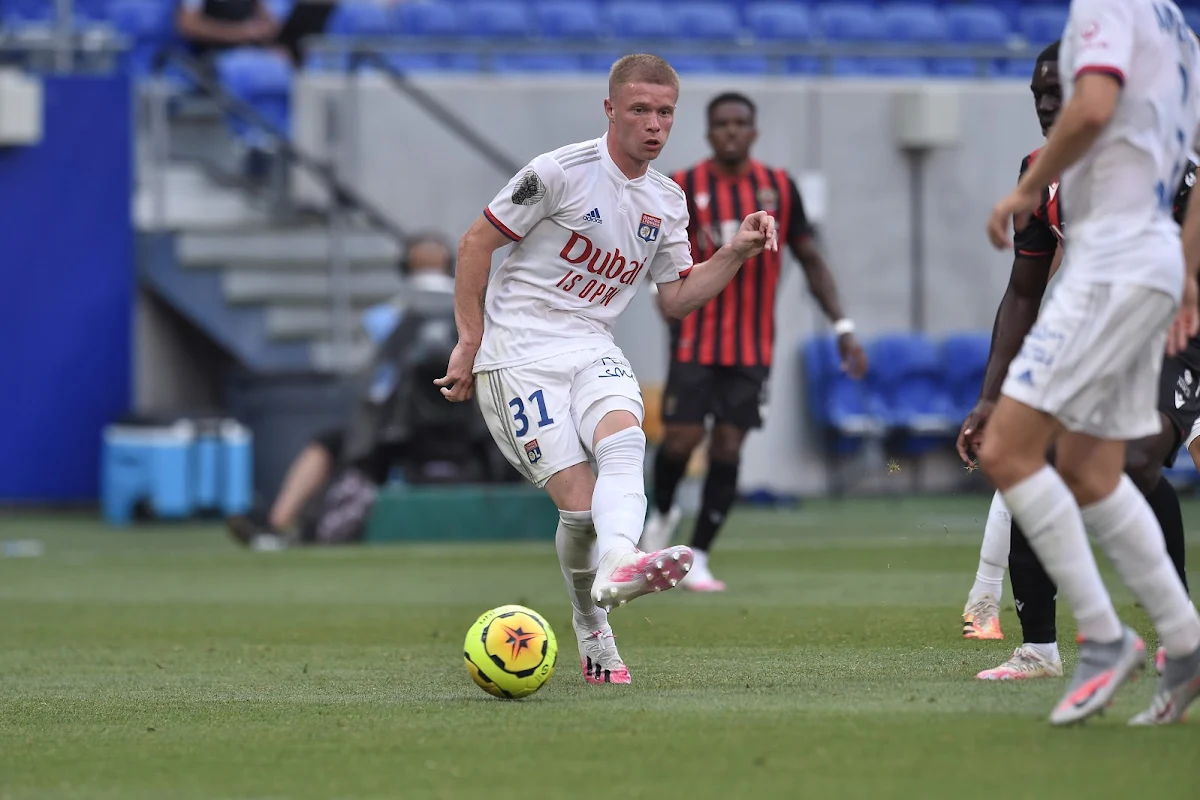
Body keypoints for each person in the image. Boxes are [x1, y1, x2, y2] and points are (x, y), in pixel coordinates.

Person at [435, 54, 778, 686]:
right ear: (611, 110)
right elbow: (475, 243)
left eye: (665, 112)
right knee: (579, 510)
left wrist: (732, 253)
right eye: (641, 110)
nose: (654, 125)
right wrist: (469, 340)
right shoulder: (558, 173)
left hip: (591, 343)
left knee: (624, 441)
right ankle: (592, 624)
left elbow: (675, 297)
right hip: (517, 354)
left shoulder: (668, 199)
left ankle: (623, 562)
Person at [978, 0, 1200, 725]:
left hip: (1109, 264)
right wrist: (1187, 270)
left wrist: (1023, 186)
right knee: (1092, 467)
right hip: (1151, 266)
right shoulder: (1175, 28)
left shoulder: (1108, 9)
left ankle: (1104, 637)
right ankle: (1187, 639)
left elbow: (1094, 102)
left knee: (1011, 450)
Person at [637, 91, 867, 591]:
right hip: (694, 337)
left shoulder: (779, 188)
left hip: (751, 344)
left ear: (754, 131)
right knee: (680, 438)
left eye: (741, 123)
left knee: (728, 443)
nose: (732, 132)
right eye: (722, 124)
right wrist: (660, 293)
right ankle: (663, 515)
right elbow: (653, 250)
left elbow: (810, 259)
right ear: (709, 131)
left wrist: (842, 326)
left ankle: (697, 554)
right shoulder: (680, 186)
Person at [226, 232, 458, 549]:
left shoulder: (386, 318)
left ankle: (275, 527)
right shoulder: (475, 310)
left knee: (331, 442)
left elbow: (375, 386)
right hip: (473, 437)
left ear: (404, 268)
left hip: (400, 436)